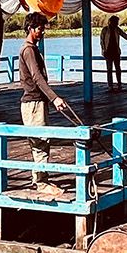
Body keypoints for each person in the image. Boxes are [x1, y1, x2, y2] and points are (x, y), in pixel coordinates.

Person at [18, 14, 80, 196]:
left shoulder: (32, 49)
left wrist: (50, 99)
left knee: (40, 142)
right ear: (31, 28)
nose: (43, 32)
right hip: (33, 103)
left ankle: (39, 177)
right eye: (40, 29)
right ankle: (41, 182)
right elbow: (37, 78)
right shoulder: (28, 50)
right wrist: (54, 98)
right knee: (40, 142)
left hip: (37, 101)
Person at [98, 15, 127, 91]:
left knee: (118, 69)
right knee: (109, 69)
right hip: (108, 52)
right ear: (111, 22)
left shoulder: (117, 30)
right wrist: (103, 50)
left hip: (116, 52)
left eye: (117, 22)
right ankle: (110, 86)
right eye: (116, 22)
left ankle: (119, 84)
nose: (117, 24)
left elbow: (126, 36)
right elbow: (101, 41)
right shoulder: (105, 30)